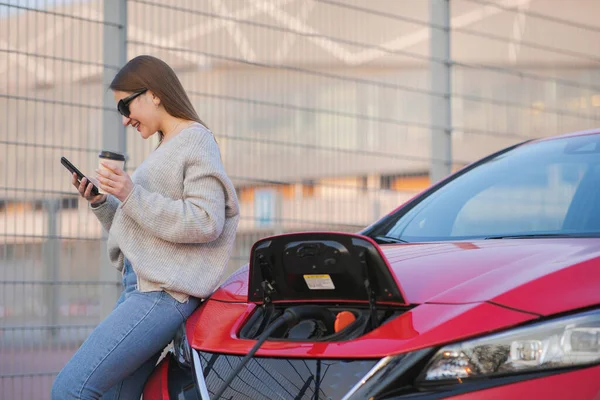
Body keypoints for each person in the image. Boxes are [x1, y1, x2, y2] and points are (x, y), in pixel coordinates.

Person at [51, 55, 240, 399]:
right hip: (142, 289)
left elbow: (206, 221)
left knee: (70, 389)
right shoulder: (166, 147)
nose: (125, 120)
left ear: (153, 93)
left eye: (126, 105)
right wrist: (102, 202)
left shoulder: (196, 140)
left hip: (162, 294)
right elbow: (142, 229)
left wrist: (130, 193)